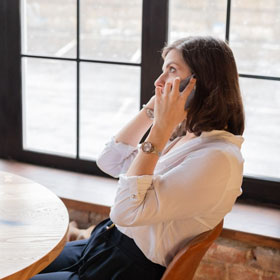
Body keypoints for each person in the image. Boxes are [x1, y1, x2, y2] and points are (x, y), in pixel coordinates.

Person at [31, 36, 245, 280]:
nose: (159, 81)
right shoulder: (190, 136)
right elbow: (110, 160)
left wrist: (161, 130)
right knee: (21, 263)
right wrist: (152, 110)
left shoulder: (218, 159)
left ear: (200, 84)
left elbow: (124, 212)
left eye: (172, 70)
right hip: (105, 243)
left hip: (125, 269)